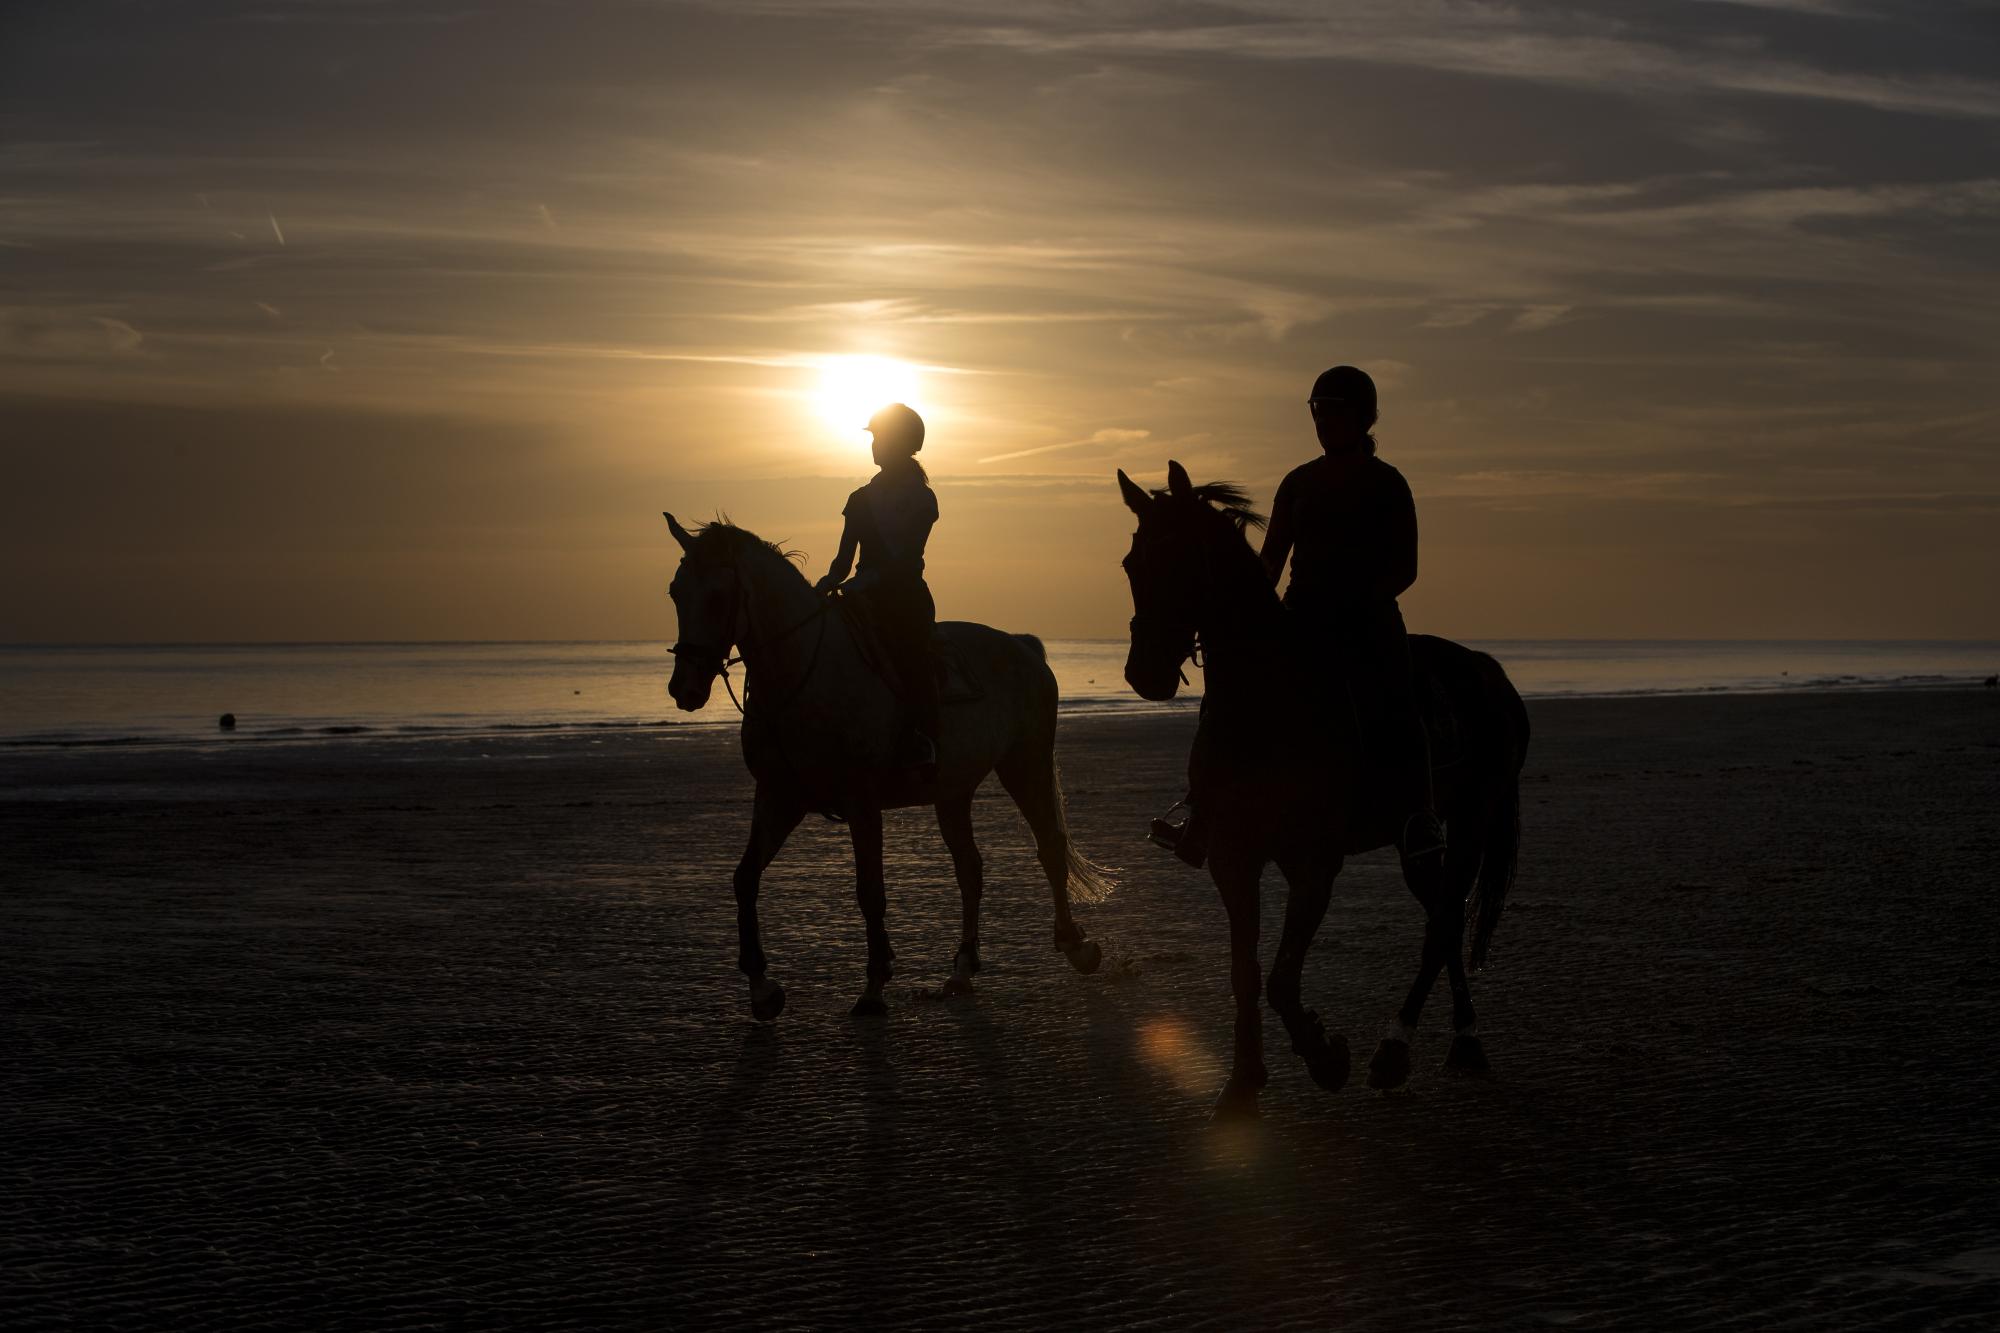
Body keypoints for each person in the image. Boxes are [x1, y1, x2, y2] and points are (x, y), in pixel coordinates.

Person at [1151, 365, 1443, 867]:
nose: (1323, 420)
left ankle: (1420, 816)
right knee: (1227, 698)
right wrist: (1246, 609)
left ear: (1363, 417)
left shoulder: (1387, 483)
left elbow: (1405, 568)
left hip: (1367, 620)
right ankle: (1202, 813)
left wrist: (1355, 604)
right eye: (1317, 410)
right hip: (1301, 615)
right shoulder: (1298, 482)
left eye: (1333, 411)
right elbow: (1271, 561)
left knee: (1396, 702)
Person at [816, 402, 941, 774]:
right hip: (860, 596)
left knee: (912, 662)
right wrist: (821, 587)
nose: (874, 445)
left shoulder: (922, 499)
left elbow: (905, 559)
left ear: (903, 443)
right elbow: (841, 562)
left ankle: (922, 738)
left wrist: (863, 582)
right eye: (873, 439)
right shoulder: (858, 499)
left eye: (881, 438)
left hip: (903, 599)